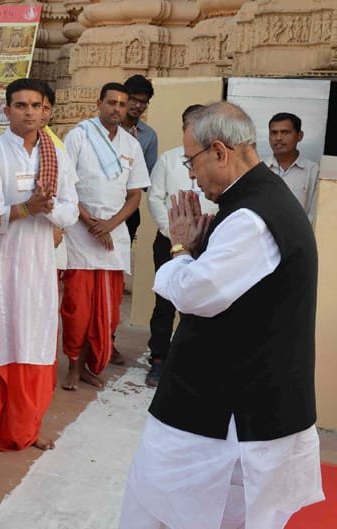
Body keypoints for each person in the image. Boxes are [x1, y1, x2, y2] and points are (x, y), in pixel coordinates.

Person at [121, 101, 323, 529]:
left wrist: (179, 249)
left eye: (191, 160)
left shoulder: (252, 216)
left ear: (219, 151)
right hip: (237, 395)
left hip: (232, 409)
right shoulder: (258, 197)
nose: (190, 174)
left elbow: (198, 293)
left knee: (176, 506)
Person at [0, 78, 79, 457]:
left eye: (36, 105)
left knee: (33, 342)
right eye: (21, 105)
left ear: (46, 110)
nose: (29, 112)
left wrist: (47, 209)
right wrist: (26, 208)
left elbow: (71, 209)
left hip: (38, 265)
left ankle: (27, 426)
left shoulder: (57, 156)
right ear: (6, 110)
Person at [61, 82, 150, 390]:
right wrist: (91, 223)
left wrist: (110, 225)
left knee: (106, 311)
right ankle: (73, 365)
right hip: (80, 233)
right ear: (99, 103)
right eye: (111, 102)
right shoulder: (78, 136)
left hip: (114, 235)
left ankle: (89, 365)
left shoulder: (131, 145)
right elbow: (66, 188)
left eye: (122, 104)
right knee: (78, 308)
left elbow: (135, 195)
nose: (117, 108)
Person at [144, 105, 218, 387]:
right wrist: (175, 233)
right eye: (191, 124)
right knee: (165, 301)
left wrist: (203, 234)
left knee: (200, 303)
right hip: (169, 241)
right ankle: (159, 360)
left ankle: (189, 360)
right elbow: (155, 198)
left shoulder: (215, 160)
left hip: (210, 241)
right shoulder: (168, 159)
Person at [263, 112, 319, 223]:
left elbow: (314, 213)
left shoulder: (313, 171)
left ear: (299, 136)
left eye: (285, 132)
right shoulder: (260, 169)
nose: (278, 138)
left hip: (298, 238)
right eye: (274, 133)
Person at [121, 74, 158, 242]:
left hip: (128, 207)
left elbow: (147, 181)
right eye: (133, 99)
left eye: (143, 102)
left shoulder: (148, 136)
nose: (137, 105)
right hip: (95, 202)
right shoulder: (104, 127)